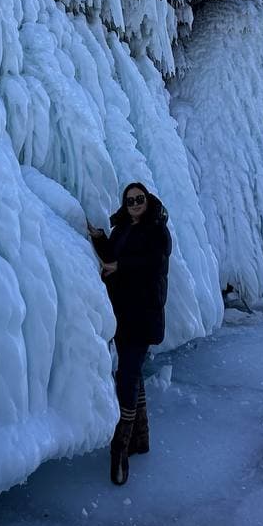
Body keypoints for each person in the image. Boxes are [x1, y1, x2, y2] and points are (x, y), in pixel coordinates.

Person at [88, 182, 171, 485]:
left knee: (126, 375)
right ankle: (141, 437)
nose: (135, 204)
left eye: (139, 199)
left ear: (148, 200)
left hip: (143, 314)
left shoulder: (157, 231)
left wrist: (120, 265)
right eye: (130, 200)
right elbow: (111, 258)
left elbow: (154, 264)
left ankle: (120, 447)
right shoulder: (122, 229)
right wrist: (99, 238)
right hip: (122, 313)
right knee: (132, 372)